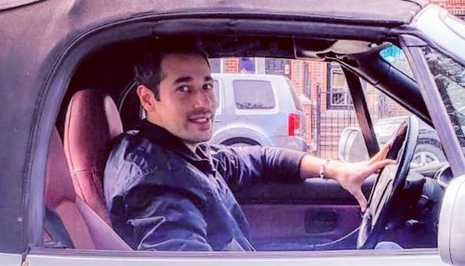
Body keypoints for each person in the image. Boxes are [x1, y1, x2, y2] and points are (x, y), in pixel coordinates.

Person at [104, 41, 392, 251]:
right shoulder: (155, 182)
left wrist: (336, 170)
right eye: (184, 88)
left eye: (207, 86)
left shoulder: (182, 154)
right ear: (148, 99)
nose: (203, 103)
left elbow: (260, 158)